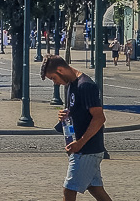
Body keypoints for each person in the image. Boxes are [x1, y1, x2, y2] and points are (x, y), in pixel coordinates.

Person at [40, 55, 113, 201]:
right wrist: (65, 115)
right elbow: (77, 111)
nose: (55, 83)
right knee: (95, 188)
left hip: (87, 149)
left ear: (60, 69)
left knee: (69, 190)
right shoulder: (70, 85)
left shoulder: (85, 85)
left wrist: (80, 143)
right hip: (82, 148)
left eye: (54, 78)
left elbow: (99, 118)